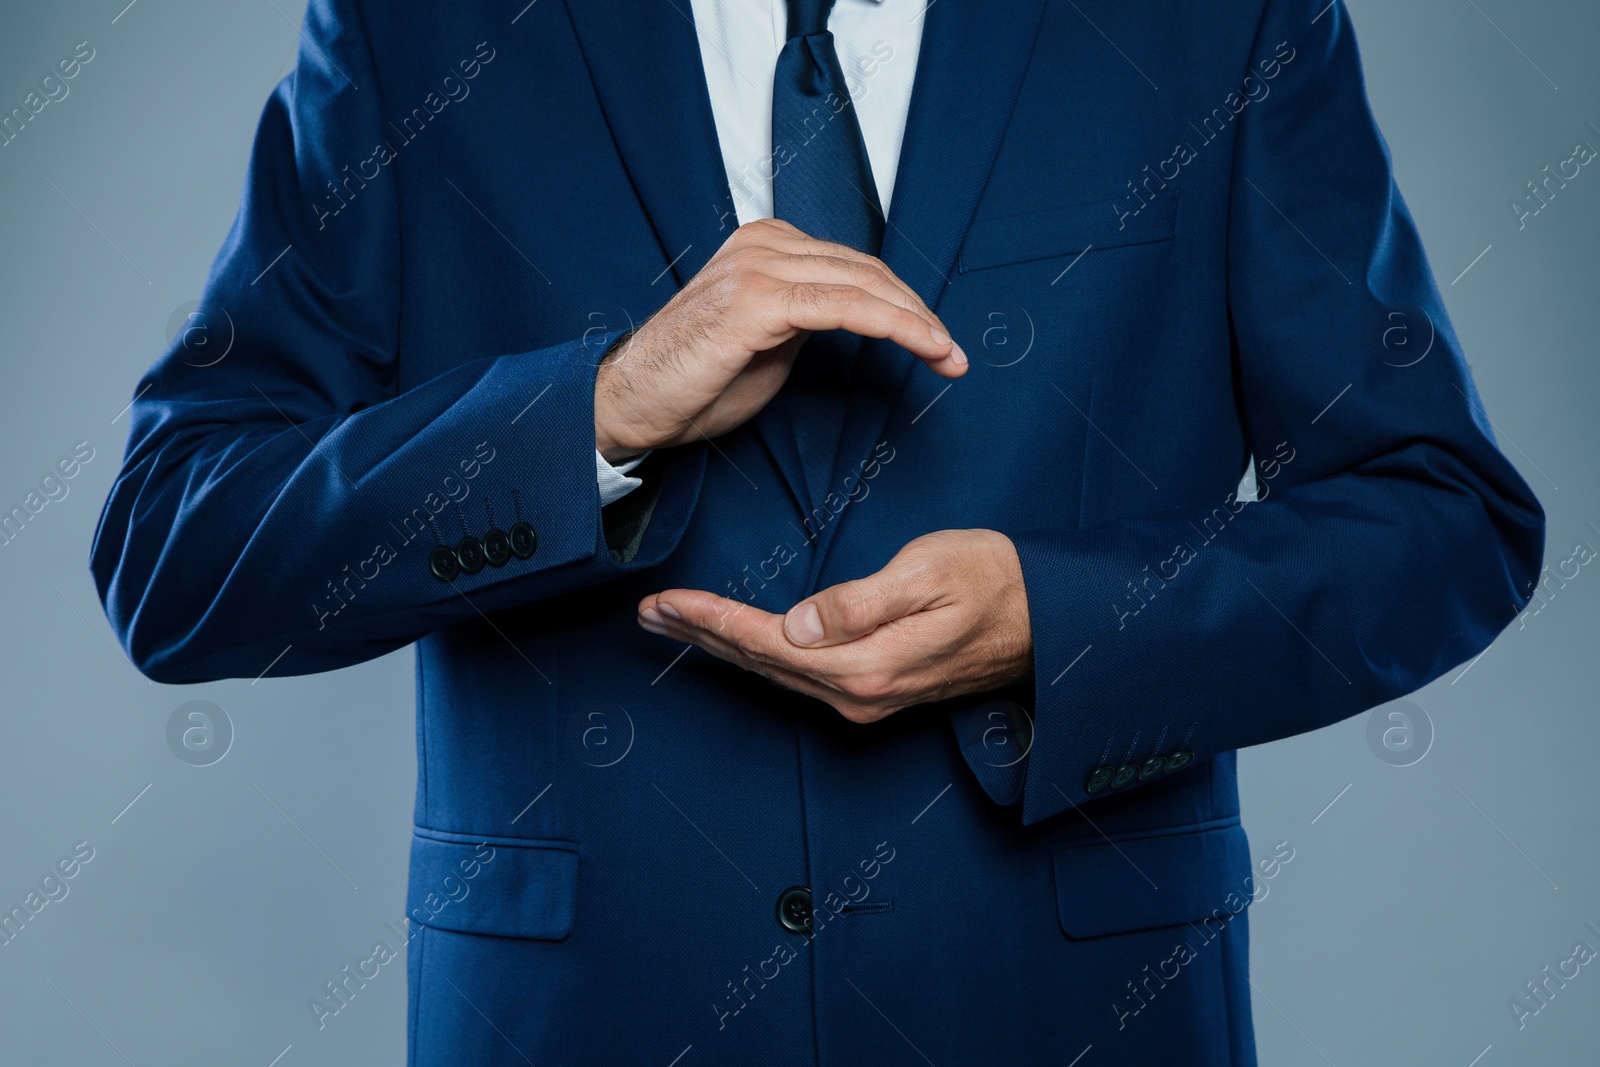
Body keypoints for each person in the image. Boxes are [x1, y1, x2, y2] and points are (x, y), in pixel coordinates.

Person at [92, 0, 1544, 1062]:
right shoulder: (416, 30)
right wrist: (589, 419)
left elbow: (1443, 515)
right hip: (584, 1022)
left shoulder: (1216, 21)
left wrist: (1064, 624)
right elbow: (177, 552)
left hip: (1071, 1016)